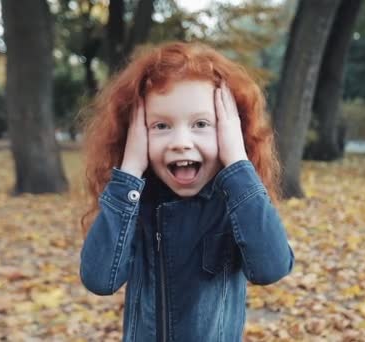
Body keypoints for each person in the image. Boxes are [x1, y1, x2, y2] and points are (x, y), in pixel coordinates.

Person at [78, 41, 294, 342]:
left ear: (230, 131)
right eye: (161, 126)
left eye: (201, 124)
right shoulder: (136, 203)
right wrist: (128, 172)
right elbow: (100, 279)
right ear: (136, 135)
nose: (181, 141)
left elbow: (271, 267)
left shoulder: (233, 202)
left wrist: (237, 161)